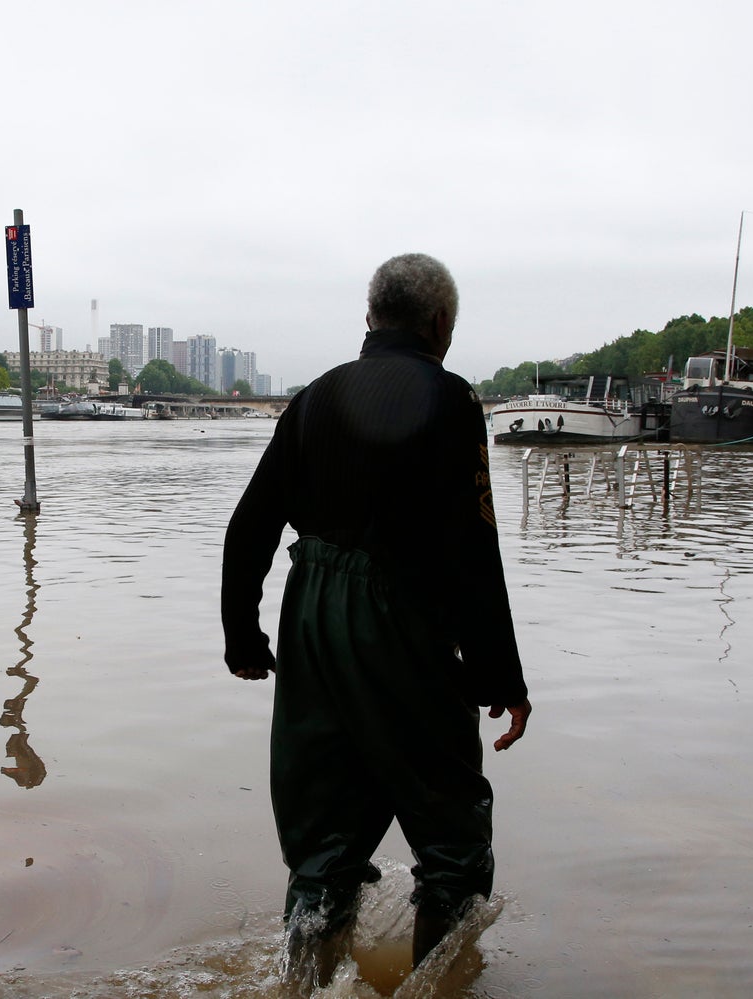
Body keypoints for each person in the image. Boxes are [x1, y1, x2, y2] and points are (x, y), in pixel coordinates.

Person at [220, 253, 531, 989]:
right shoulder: (451, 401)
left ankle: (300, 983)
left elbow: (249, 526)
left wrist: (244, 636)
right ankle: (438, 986)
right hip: (397, 617)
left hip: (310, 615)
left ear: (370, 318)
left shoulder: (314, 399)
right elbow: (472, 550)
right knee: (452, 838)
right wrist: (500, 676)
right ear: (440, 323)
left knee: (324, 842)